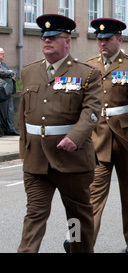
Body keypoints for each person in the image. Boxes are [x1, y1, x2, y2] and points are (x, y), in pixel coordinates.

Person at [17, 14, 102, 253]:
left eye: (53, 37)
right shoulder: (29, 72)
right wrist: (24, 150)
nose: (47, 41)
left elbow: (92, 112)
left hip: (71, 160)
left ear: (67, 41)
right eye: (44, 37)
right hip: (36, 161)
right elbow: (23, 115)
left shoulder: (87, 74)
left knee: (76, 216)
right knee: (34, 214)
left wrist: (74, 138)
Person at [86, 18, 128, 253]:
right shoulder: (89, 67)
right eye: (99, 39)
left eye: (107, 39)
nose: (102, 43)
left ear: (119, 40)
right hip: (98, 139)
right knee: (91, 196)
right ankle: (83, 243)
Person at [0, 48, 19, 136]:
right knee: (3, 112)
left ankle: (10, 129)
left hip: (8, 90)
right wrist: (9, 72)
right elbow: (4, 72)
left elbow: (10, 73)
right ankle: (5, 129)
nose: (4, 55)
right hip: (2, 91)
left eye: (3, 53)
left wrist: (9, 72)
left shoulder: (3, 63)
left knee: (10, 110)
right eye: (2, 53)